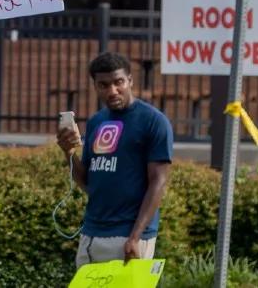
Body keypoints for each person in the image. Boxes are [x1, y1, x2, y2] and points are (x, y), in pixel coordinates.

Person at [56, 52, 173, 266]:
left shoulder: (154, 122)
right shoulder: (96, 122)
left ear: (130, 80)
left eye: (119, 82)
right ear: (95, 86)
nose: (112, 91)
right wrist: (68, 152)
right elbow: (87, 182)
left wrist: (135, 237)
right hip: (91, 233)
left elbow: (158, 182)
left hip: (130, 235)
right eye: (104, 85)